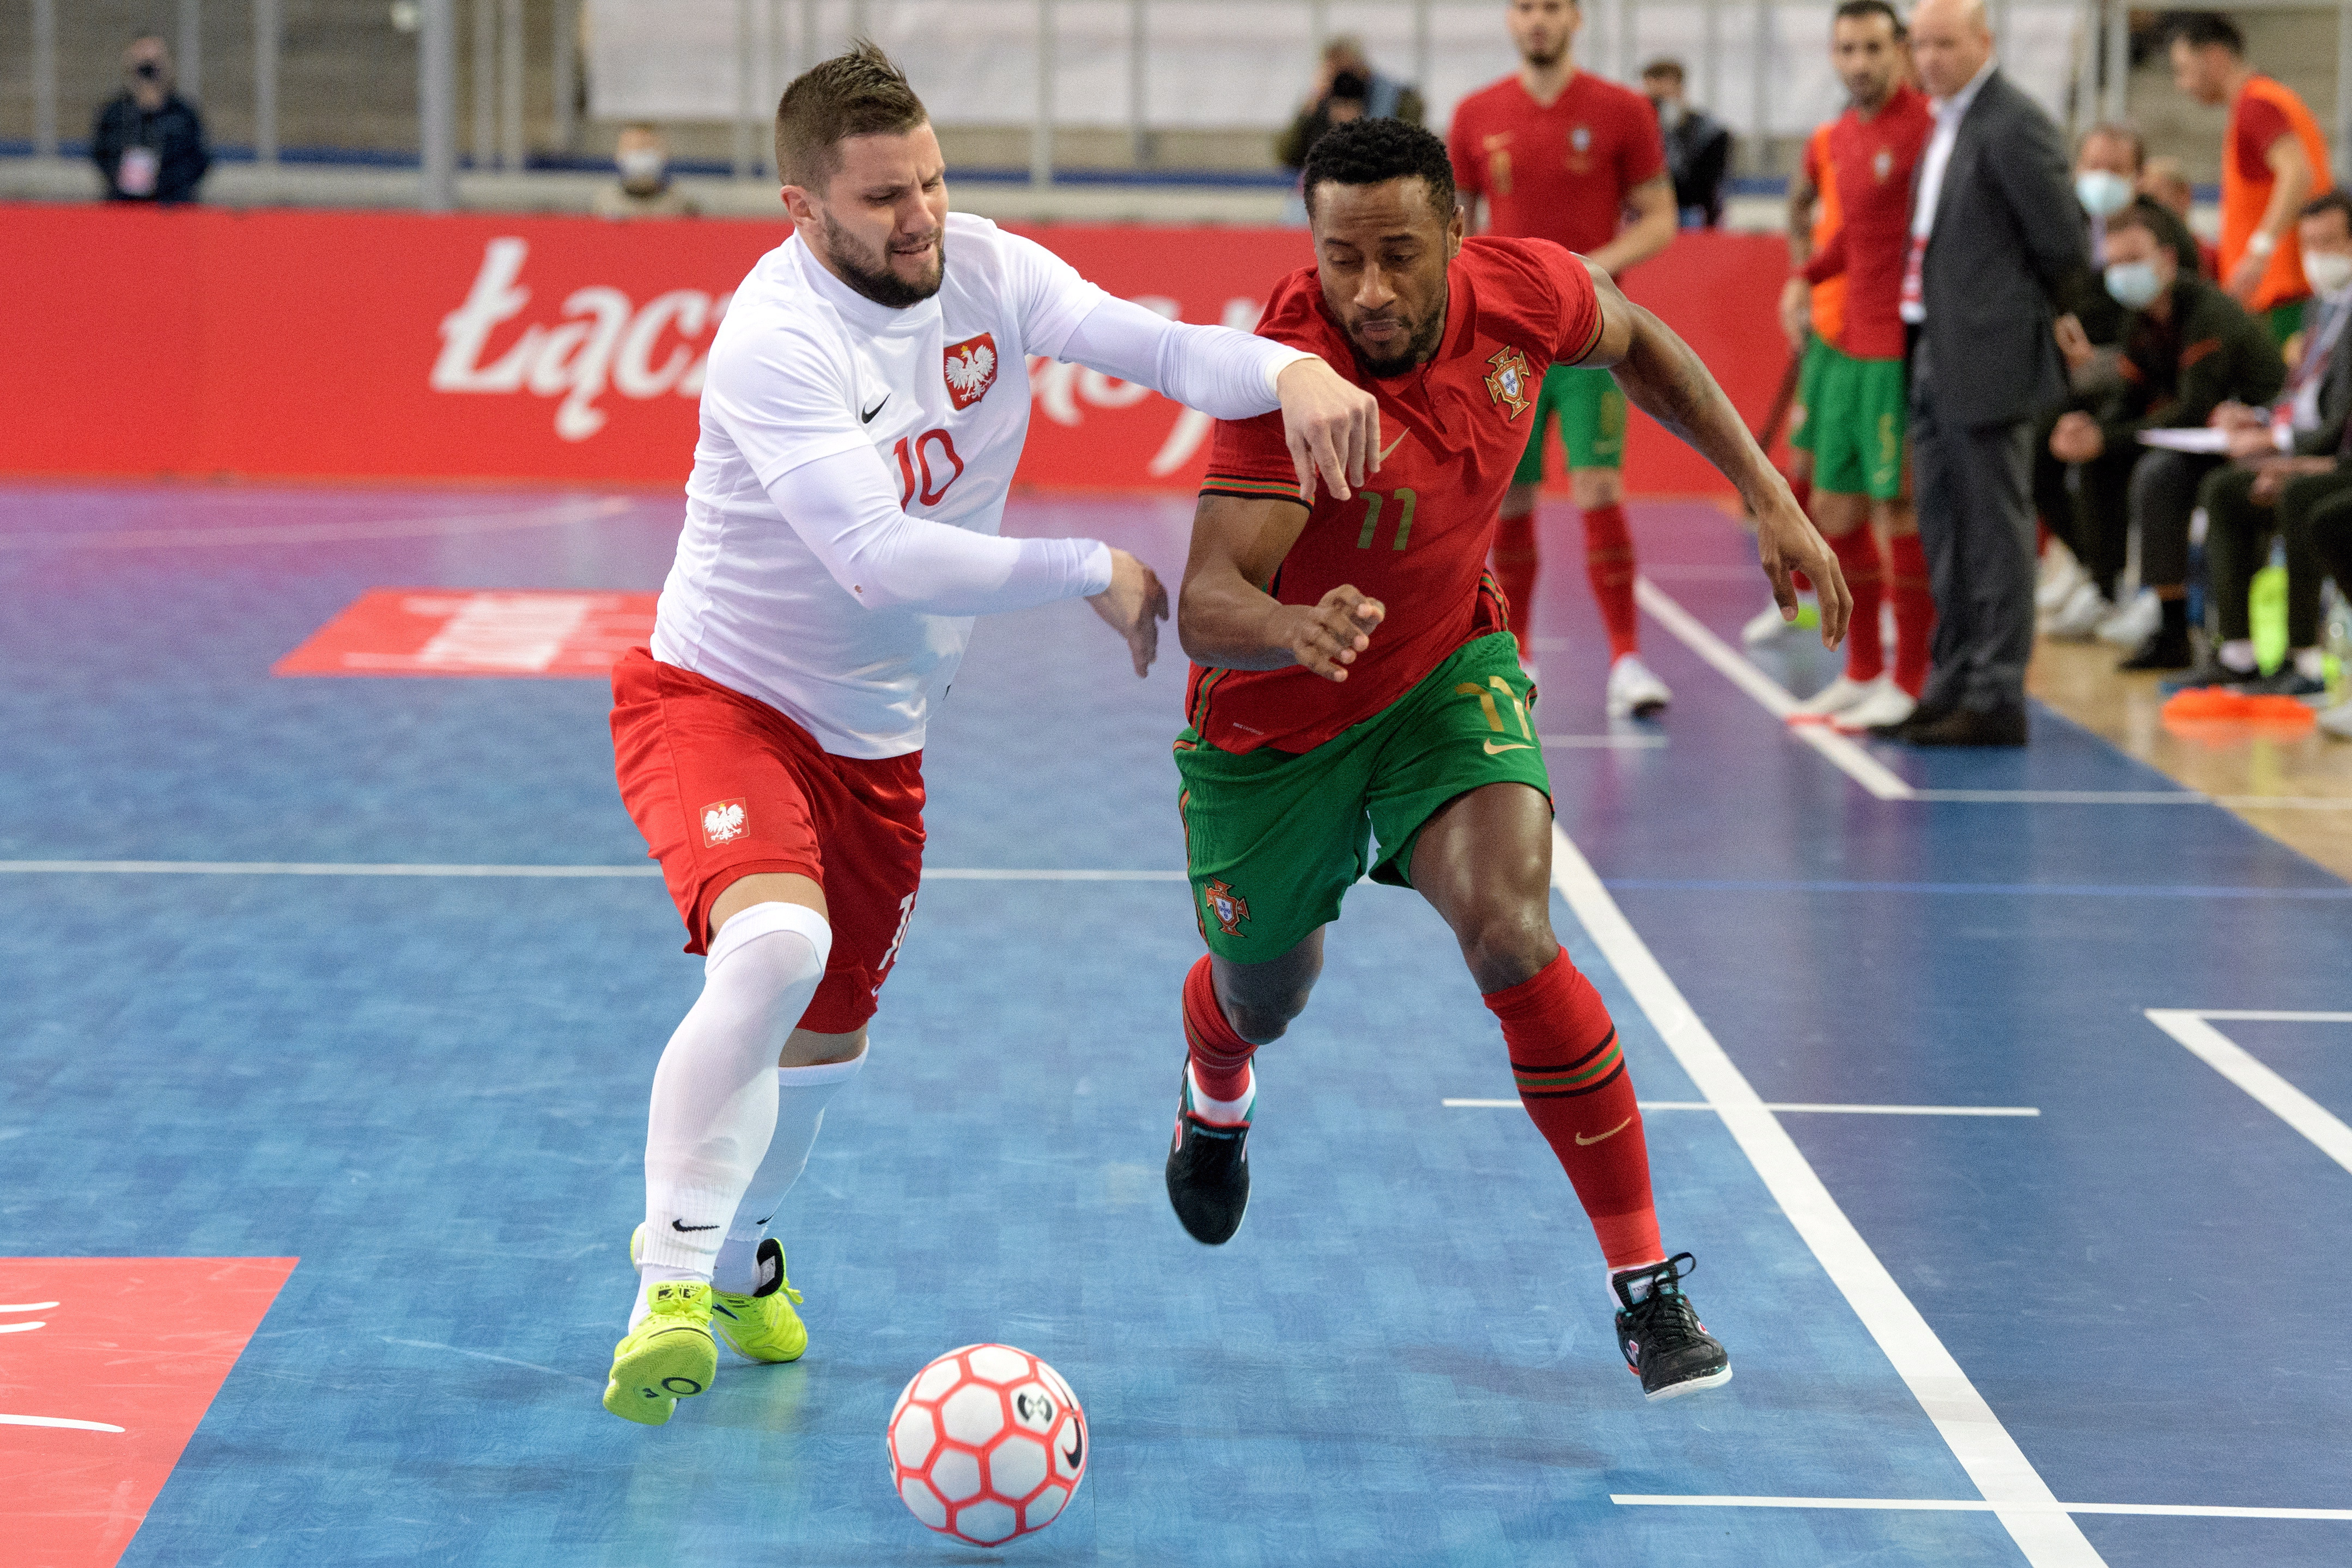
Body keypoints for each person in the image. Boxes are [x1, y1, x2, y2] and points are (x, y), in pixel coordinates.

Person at [599, 44, 1379, 1427]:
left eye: (935, 180)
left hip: (880, 739)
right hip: (719, 697)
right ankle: (665, 1277)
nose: (923, 216)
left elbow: (1154, 349)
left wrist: (1287, 372)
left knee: (824, 1055)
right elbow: (872, 557)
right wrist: (1091, 566)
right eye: (887, 197)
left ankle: (740, 1257)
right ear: (803, 210)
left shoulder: (988, 268)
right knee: (777, 947)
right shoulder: (775, 335)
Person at [1163, 117, 1849, 1401]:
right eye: (1339, 257)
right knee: (1266, 993)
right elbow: (1206, 600)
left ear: (1454, 239)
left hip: (1437, 670)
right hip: (1275, 724)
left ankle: (1645, 1290)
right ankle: (1215, 1084)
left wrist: (1760, 486)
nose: (1366, 289)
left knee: (1510, 930)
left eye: (1396, 255)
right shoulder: (1281, 370)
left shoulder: (1521, 289)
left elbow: (1635, 339)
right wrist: (1291, 627)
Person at [1449, 0, 1680, 719]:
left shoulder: (1622, 110)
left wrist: (1585, 273)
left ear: (1575, 18)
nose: (1537, 21)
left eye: (1551, 7)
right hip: (1507, 346)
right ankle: (1513, 658)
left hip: (1594, 342)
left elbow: (1661, 218)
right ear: (1511, 20)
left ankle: (1626, 660)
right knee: (1509, 501)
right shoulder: (1473, 115)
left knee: (1597, 489)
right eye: (1525, 8)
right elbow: (1452, 225)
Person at [1886, 0, 2088, 746]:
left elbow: (2063, 241)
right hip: (1935, 346)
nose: (1930, 58)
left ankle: (1997, 692)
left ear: (1983, 42)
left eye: (1945, 44)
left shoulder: (2012, 121)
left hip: (1989, 355)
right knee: (1944, 524)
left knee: (1995, 533)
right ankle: (1951, 679)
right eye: (1922, 45)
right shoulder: (1947, 123)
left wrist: (2021, 320)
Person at [1777, 1, 1936, 734]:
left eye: (1873, 47)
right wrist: (1803, 277)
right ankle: (1863, 669)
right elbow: (1852, 239)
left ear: (1900, 49)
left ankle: (1912, 678)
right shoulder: (1838, 135)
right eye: (1847, 50)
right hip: (1839, 347)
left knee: (1895, 510)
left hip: (1896, 348)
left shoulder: (1930, 130)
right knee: (1833, 514)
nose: (1860, 63)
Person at [2047, 203, 2283, 671]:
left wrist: (2108, 436)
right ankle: (2112, 590)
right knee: (2093, 457)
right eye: (2113, 264)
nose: (2122, 274)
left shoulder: (2207, 313)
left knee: (2157, 475)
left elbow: (2194, 407)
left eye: (2132, 260)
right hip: (2199, 439)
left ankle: (2181, 622)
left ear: (2168, 260)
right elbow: (2130, 395)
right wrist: (2091, 429)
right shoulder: (2139, 318)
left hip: (2257, 436)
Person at [2039, 123, 2206, 642]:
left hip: (2144, 378)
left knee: (2093, 440)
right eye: (2093, 166)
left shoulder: (2164, 234)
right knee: (2044, 442)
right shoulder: (2066, 221)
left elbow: (2175, 321)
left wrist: (2107, 360)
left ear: (2138, 175)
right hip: (2082, 374)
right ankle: (2097, 571)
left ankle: (2115, 582)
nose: (2101, 179)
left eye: (2115, 169)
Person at [2193, 192, 2352, 694]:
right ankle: (2238, 651)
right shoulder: (2319, 309)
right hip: (2306, 447)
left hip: (2328, 458)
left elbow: (2335, 425)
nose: (2318, 254)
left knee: (2300, 499)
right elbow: (2299, 396)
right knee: (2222, 489)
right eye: (2309, 243)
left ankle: (2304, 657)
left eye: (2330, 242)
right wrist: (2257, 419)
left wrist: (2287, 456)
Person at [1746, 116, 1846, 648]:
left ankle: (1891, 607)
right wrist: (1802, 271)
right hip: (1825, 326)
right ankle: (1796, 602)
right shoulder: (1828, 139)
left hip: (1877, 335)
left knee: (1871, 489)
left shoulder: (1919, 131)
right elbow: (1799, 201)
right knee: (1802, 465)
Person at [2169, 13, 2330, 339]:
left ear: (2215, 57)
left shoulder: (2255, 104)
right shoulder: (2268, 99)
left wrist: (2259, 252)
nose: (2181, 83)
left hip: (2281, 291)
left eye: (2183, 69)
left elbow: (2297, 174)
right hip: (2289, 286)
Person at [1277, 34, 1426, 173]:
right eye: (1338, 72)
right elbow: (1288, 157)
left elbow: (1407, 156)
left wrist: (1361, 127)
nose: (1345, 81)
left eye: (1349, 70)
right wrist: (1312, 102)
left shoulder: (1399, 100)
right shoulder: (1321, 102)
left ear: (1363, 67)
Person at [90, 35, 209, 204]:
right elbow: (102, 155)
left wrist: (165, 181)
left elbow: (198, 160)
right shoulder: (114, 114)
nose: (149, 71)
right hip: (124, 207)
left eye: (154, 63)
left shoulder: (184, 114)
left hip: (172, 209)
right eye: (144, 64)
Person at [1640, 59, 1731, 227]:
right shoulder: (1639, 129)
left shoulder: (1709, 132)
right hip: (1649, 214)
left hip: (1693, 215)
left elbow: (1711, 186)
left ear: (1679, 89)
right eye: (1653, 100)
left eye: (1662, 98)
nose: (1657, 105)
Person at [592, 123, 699, 219]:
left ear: (665, 155)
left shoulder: (682, 205)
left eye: (647, 147)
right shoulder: (603, 203)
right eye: (633, 147)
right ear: (618, 155)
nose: (640, 153)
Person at [2140, 154, 2221, 279]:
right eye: (2141, 201)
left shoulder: (2215, 261)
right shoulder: (2129, 263)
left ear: (2183, 195)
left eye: (2153, 198)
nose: (2146, 208)